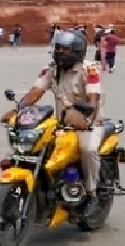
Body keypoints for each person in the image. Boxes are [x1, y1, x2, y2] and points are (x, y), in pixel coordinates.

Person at [17, 29, 105, 220]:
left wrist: (87, 119)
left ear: (77, 51)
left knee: (88, 148)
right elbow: (36, 91)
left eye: (64, 49)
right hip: (62, 126)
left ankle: (92, 194)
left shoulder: (90, 69)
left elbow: (93, 98)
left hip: (88, 124)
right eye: (58, 48)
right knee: (37, 146)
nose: (59, 52)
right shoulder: (51, 69)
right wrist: (19, 109)